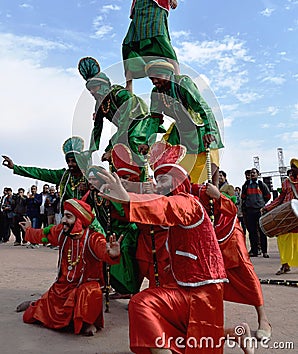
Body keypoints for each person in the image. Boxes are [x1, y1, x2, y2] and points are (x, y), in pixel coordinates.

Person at [97, 141, 227, 354]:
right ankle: (239, 335)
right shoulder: (173, 204)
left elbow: (165, 207)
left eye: (164, 180)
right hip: (182, 282)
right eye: (157, 180)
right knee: (171, 322)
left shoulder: (188, 203)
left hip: (200, 291)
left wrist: (129, 198)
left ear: (179, 181)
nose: (158, 185)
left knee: (143, 304)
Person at [18, 198, 122, 336]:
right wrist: (29, 230)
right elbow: (43, 235)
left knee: (91, 291)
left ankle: (88, 322)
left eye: (68, 216)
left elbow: (103, 249)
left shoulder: (93, 238)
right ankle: (35, 304)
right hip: (62, 286)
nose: (63, 220)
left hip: (83, 287)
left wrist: (112, 254)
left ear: (79, 220)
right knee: (35, 314)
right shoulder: (62, 232)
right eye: (63, 216)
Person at [192, 183, 271, 341]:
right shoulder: (176, 188)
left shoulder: (205, 185)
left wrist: (217, 195)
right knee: (208, 282)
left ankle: (264, 319)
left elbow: (232, 209)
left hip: (229, 232)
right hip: (206, 235)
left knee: (246, 274)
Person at [138, 59, 224, 185]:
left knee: (208, 162)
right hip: (179, 132)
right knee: (165, 159)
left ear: (168, 74)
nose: (154, 82)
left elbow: (202, 107)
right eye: (151, 79)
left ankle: (213, 191)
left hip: (199, 127)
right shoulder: (156, 92)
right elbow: (154, 120)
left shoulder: (182, 83)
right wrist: (147, 142)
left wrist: (209, 130)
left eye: (157, 77)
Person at [78, 57, 157, 176]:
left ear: (104, 85)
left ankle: (143, 179)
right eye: (90, 89)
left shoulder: (121, 95)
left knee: (133, 141)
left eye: (94, 87)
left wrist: (112, 147)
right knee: (110, 154)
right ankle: (120, 180)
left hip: (141, 122)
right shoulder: (99, 105)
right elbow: (97, 128)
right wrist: (91, 150)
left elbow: (125, 123)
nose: (92, 92)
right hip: (124, 128)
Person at [111, 143, 170, 288]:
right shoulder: (123, 192)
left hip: (162, 241)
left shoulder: (155, 191)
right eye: (121, 178)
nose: (123, 181)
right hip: (144, 240)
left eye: (126, 177)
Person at [83, 164, 140, 296]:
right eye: (89, 179)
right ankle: (114, 287)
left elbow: (124, 212)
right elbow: (83, 208)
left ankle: (131, 292)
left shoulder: (109, 191)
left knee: (124, 256)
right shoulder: (92, 194)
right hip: (111, 233)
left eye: (94, 179)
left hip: (126, 231)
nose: (91, 182)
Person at [2, 136, 90, 215]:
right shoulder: (64, 176)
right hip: (68, 219)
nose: (70, 164)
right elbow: (39, 173)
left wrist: (89, 187)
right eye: (68, 161)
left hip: (87, 218)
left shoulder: (89, 176)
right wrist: (15, 167)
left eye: (73, 161)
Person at [262, 158, 298, 275]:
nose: (292, 169)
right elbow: (280, 199)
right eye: (292, 167)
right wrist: (268, 208)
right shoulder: (286, 182)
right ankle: (285, 265)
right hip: (287, 215)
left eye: (295, 167)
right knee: (283, 240)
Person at [241, 168, 271, 258]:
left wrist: (261, 204)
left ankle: (264, 251)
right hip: (250, 211)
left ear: (258, 174)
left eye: (254, 173)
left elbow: (268, 196)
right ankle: (254, 251)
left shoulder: (261, 184)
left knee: (262, 231)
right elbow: (243, 197)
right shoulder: (246, 185)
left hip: (259, 211)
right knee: (252, 232)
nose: (252, 174)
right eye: (251, 173)